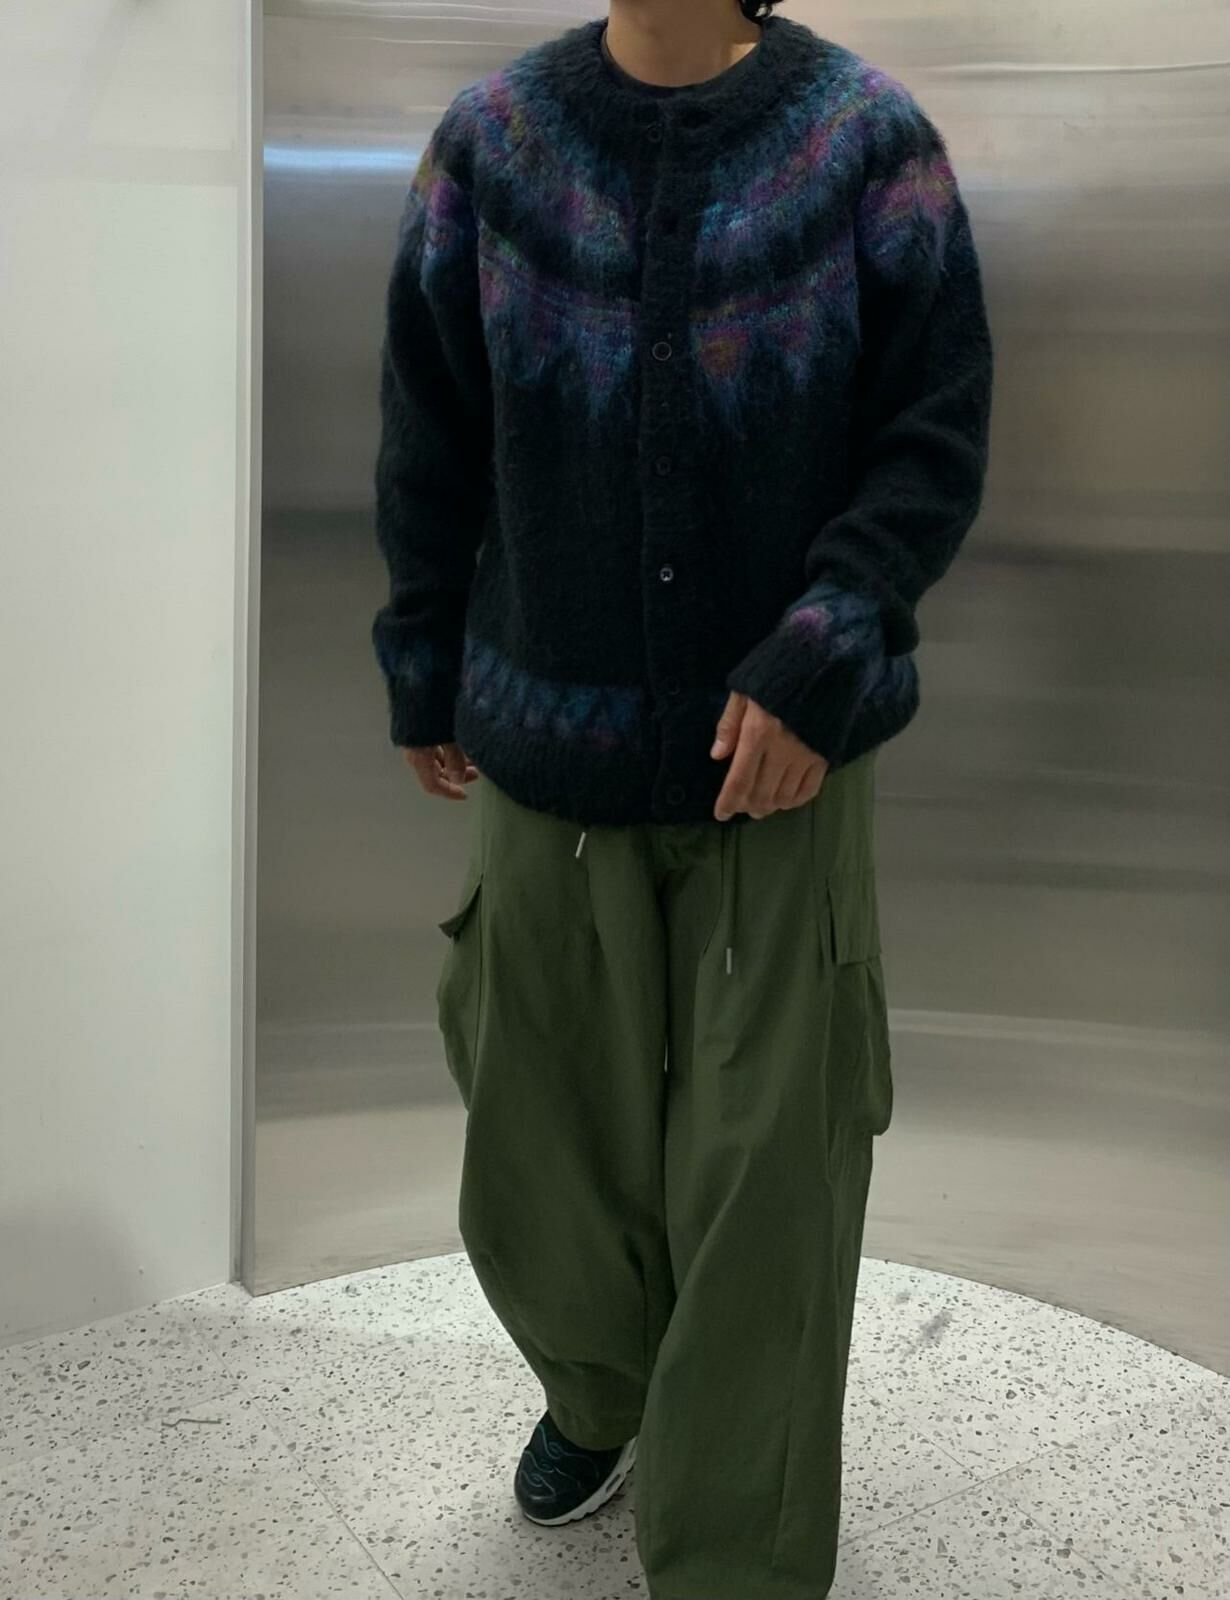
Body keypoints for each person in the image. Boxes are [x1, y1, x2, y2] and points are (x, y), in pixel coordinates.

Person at [370, 1, 993, 1595]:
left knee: (770, 1168)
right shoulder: (494, 144)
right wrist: (420, 657)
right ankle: (600, 1388)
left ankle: (737, 1556)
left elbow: (928, 438)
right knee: (531, 1135)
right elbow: (429, 421)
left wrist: (822, 650)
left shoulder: (861, 141)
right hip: (544, 741)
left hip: (781, 761)